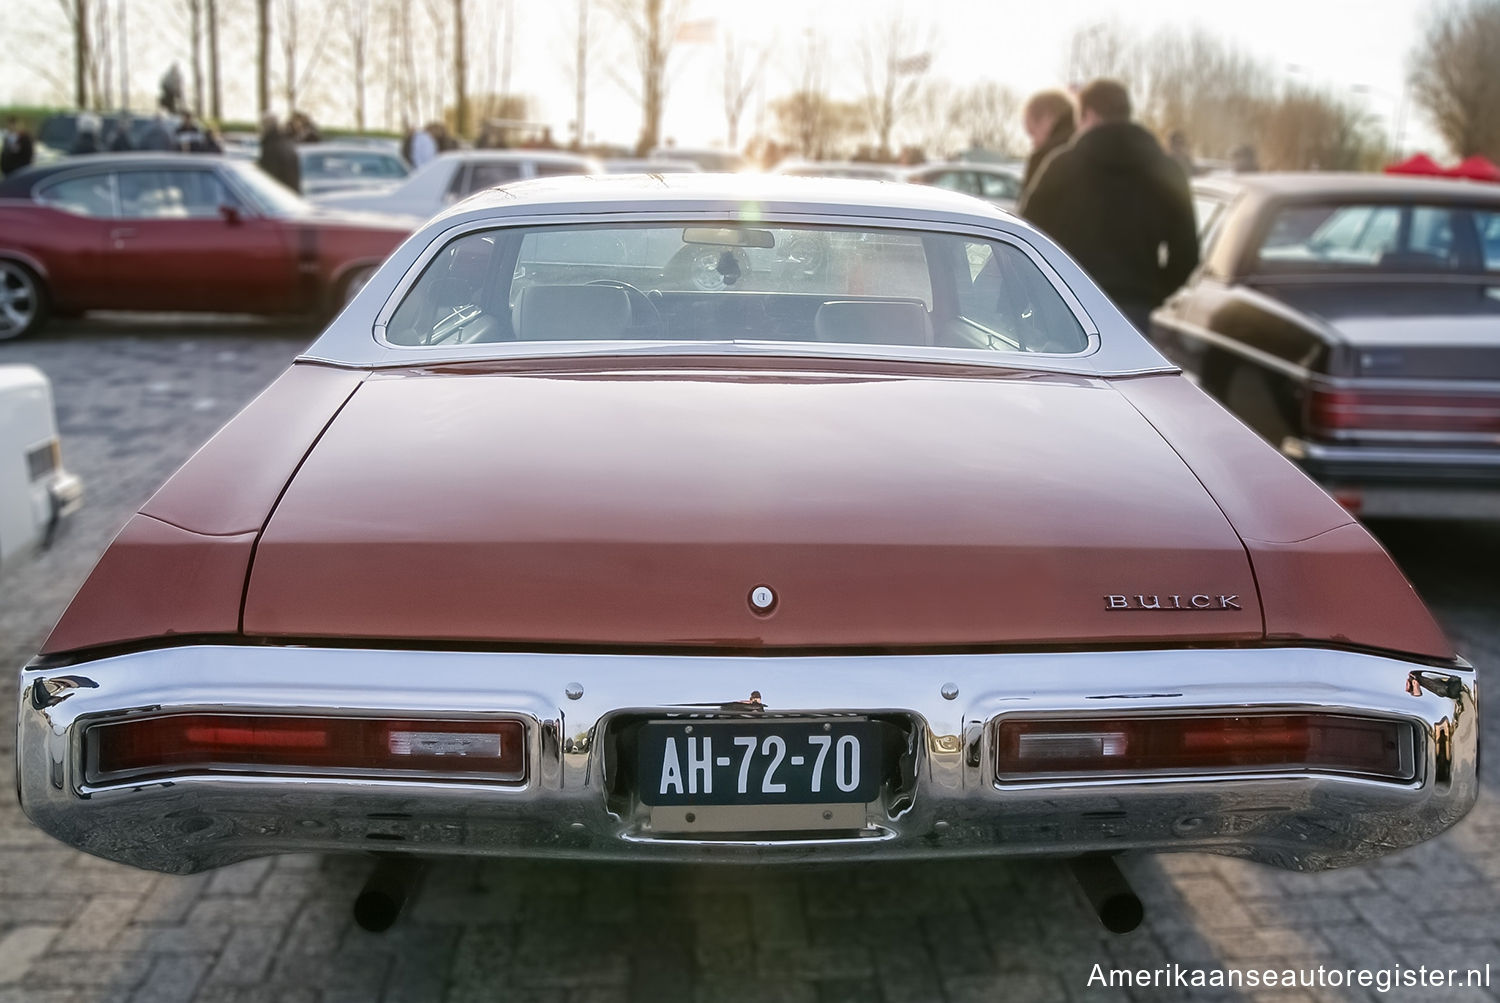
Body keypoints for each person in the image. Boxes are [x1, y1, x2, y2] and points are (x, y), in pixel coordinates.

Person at [1018, 79, 1198, 334]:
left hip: (1067, 304)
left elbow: (1029, 233)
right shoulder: (1167, 171)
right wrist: (1155, 292)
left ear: (1088, 115)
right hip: (1135, 310)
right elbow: (1187, 253)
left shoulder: (1061, 166)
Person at [1020, 89, 1076, 199]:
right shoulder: (1096, 148)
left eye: (1032, 133)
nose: (1033, 144)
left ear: (1047, 119)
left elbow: (1033, 212)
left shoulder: (1046, 158)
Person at [257, 113, 301, 193]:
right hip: (290, 194)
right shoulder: (285, 142)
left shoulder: (271, 146)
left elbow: (269, 176)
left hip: (278, 193)